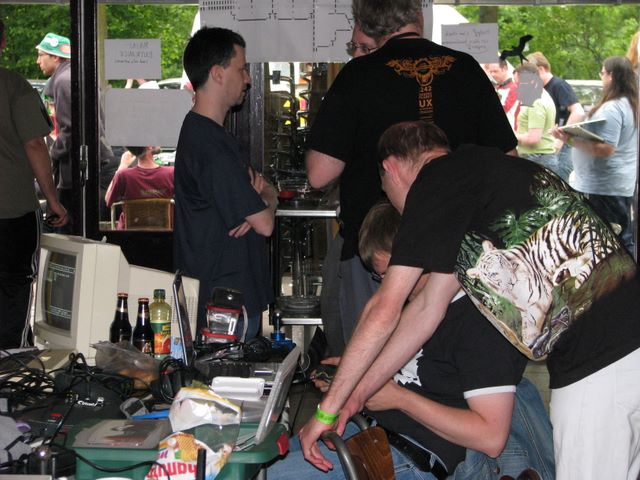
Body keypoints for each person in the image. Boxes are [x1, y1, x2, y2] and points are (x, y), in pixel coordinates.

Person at [300, 120, 640, 480]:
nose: (399, 210)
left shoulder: (433, 183)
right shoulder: (477, 181)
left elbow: (384, 307)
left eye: (386, 191)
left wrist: (326, 411)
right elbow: (428, 309)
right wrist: (356, 393)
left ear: (390, 168)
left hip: (598, 358)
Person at [270, 201, 554, 479]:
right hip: (372, 431)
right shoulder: (417, 305)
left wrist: (399, 398)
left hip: (416, 454)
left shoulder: (478, 323)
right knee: (263, 463)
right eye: (379, 276)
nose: (386, 285)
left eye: (389, 274)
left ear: (419, 259)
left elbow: (491, 437)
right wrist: (353, 373)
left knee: (271, 475)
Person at [306, 0, 517, 352]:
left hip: (377, 247)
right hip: (454, 250)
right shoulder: (466, 69)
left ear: (367, 23)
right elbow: (507, 162)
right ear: (419, 15)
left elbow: (318, 174)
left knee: (368, 353)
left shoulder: (358, 75)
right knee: (445, 360)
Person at [173, 27, 278, 339]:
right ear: (218, 73)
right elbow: (264, 224)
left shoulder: (210, 135)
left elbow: (259, 197)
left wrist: (260, 200)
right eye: (241, 69)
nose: (248, 78)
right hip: (224, 308)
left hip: (227, 301)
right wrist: (266, 201)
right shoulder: (210, 145)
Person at [0, 19, 68, 348]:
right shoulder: (13, 86)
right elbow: (34, 145)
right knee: (14, 286)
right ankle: (9, 360)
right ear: (2, 43)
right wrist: (52, 200)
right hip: (11, 209)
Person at [552, 56, 638, 254]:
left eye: (602, 73)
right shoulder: (630, 104)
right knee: (617, 238)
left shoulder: (614, 108)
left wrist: (569, 139)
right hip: (614, 184)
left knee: (610, 240)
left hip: (604, 186)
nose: (601, 77)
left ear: (611, 75)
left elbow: (606, 149)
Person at [36, 32, 115, 231]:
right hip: (90, 164)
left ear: (55, 57)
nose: (38, 61)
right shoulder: (77, 75)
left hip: (76, 169)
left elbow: (71, 128)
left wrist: (52, 154)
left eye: (41, 55)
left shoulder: (64, 80)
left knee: (67, 230)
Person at [526, 51, 585, 182]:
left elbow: (578, 112)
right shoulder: (540, 89)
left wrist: (561, 139)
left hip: (562, 146)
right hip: (548, 145)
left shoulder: (559, 85)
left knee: (558, 183)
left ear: (541, 69)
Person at [104, 146, 174, 230]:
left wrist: (122, 166)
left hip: (129, 234)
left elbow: (108, 200)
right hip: (164, 234)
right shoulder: (171, 173)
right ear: (149, 146)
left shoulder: (124, 176)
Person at [513, 63, 558, 174]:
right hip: (541, 158)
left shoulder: (535, 102)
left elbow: (533, 138)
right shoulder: (544, 95)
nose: (517, 87)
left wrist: (511, 135)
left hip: (537, 159)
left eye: (519, 83)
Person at [487, 60, 519, 129]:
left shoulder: (514, 88)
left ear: (505, 69)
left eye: (495, 71)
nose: (492, 75)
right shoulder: (497, 87)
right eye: (490, 72)